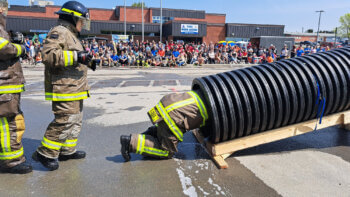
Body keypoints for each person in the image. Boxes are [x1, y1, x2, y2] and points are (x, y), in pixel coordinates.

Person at [32, 1, 96, 171]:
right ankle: (45, 153)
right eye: (82, 21)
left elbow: (74, 56)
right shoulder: (60, 31)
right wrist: (77, 57)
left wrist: (87, 60)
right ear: (72, 18)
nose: (83, 25)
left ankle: (67, 150)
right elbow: (48, 55)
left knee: (75, 121)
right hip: (64, 87)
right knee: (65, 120)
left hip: (75, 87)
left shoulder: (71, 34)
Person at [120, 90, 208, 161]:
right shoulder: (214, 107)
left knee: (164, 127)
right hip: (173, 115)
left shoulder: (205, 92)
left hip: (168, 101)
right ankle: (130, 142)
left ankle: (149, 136)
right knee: (167, 152)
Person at [0, 0, 32, 174]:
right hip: (4, 86)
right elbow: (3, 49)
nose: (6, 12)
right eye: (5, 9)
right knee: (9, 123)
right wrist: (20, 48)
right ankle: (11, 161)